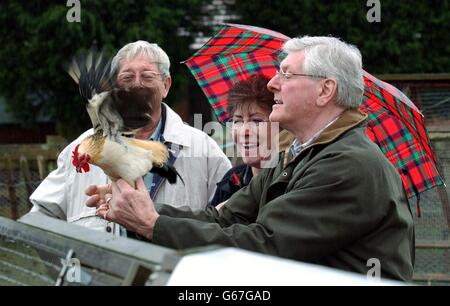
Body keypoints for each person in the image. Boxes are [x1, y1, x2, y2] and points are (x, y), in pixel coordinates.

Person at [87, 36, 415, 281]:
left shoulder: (346, 165)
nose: (273, 83)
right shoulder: (295, 157)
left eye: (287, 74)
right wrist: (140, 208)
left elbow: (264, 245)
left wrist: (152, 225)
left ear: (325, 90)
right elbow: (224, 219)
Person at [28, 41, 231, 235]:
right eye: (127, 77)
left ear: (166, 85)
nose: (137, 84)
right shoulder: (81, 150)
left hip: (173, 269)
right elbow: (38, 221)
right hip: (104, 271)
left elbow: (232, 218)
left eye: (147, 76)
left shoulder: (203, 150)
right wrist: (68, 265)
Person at [209, 74, 294, 207]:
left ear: (282, 126)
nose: (244, 132)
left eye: (256, 121)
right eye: (237, 121)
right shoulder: (231, 180)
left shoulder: (292, 183)